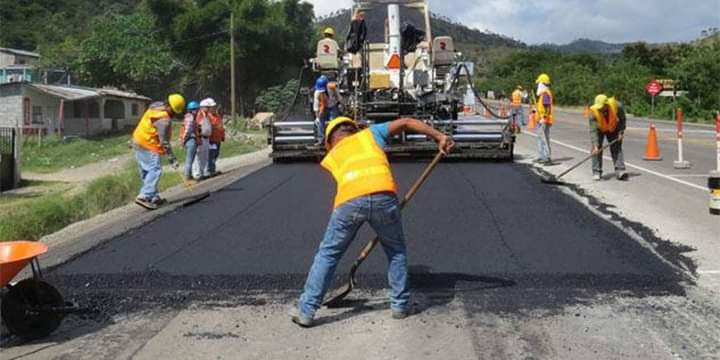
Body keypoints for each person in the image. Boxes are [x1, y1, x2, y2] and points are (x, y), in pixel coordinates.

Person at [292, 116, 454, 328]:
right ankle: (400, 306)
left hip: (349, 202)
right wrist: (440, 137)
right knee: (396, 251)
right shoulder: (370, 135)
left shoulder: (332, 155)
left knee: (328, 254)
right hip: (384, 198)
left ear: (330, 140)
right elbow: (406, 121)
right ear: (355, 129)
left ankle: (306, 311)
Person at [132, 94, 185, 209]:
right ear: (170, 108)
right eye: (175, 112)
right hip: (148, 144)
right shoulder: (164, 120)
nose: (174, 115)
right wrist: (172, 158)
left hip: (138, 141)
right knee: (155, 169)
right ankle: (144, 196)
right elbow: (164, 142)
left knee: (147, 171)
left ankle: (154, 197)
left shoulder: (155, 107)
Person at [589, 94, 628, 181]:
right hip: (599, 129)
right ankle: (596, 172)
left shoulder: (617, 105)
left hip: (613, 128)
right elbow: (593, 131)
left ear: (606, 105)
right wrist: (595, 145)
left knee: (616, 148)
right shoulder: (593, 112)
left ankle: (620, 171)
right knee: (596, 149)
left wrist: (621, 132)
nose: (600, 109)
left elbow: (622, 119)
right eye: (598, 107)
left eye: (602, 107)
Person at [179, 100, 201, 186]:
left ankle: (190, 176)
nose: (198, 111)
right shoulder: (190, 118)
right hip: (190, 140)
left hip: (191, 140)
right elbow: (187, 131)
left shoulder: (190, 117)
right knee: (189, 160)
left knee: (190, 160)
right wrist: (183, 141)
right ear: (192, 110)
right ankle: (187, 178)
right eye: (197, 109)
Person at [535, 73, 554, 165]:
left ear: (542, 84)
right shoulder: (543, 94)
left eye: (539, 84)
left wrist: (544, 118)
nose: (537, 85)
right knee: (540, 138)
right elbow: (542, 107)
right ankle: (541, 156)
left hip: (544, 121)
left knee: (544, 139)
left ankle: (547, 157)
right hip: (540, 119)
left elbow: (547, 108)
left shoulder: (545, 94)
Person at [194, 99, 213, 179]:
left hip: (206, 138)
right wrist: (198, 137)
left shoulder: (207, 115)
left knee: (205, 156)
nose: (209, 109)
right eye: (207, 107)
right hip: (201, 137)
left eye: (209, 107)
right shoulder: (199, 115)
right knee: (198, 156)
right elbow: (197, 126)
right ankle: (197, 174)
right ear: (202, 107)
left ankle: (204, 172)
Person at [205, 98, 225, 176]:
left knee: (216, 154)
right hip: (211, 139)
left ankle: (212, 169)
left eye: (214, 107)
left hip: (218, 139)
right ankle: (210, 170)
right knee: (211, 155)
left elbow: (221, 127)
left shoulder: (218, 116)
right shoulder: (208, 117)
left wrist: (222, 136)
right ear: (209, 108)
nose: (214, 108)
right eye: (212, 107)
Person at [313, 75, 329, 144]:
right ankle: (320, 139)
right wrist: (318, 116)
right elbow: (318, 106)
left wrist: (318, 116)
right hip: (321, 110)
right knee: (319, 123)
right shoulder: (319, 93)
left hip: (324, 109)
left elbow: (323, 105)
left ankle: (321, 139)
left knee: (320, 123)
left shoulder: (321, 92)